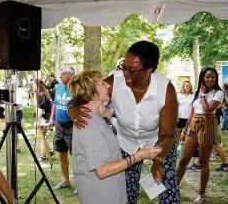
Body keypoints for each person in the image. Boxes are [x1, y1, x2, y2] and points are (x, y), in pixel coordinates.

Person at [69, 41, 180, 203]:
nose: (125, 73)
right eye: (124, 67)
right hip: (126, 142)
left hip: (159, 142)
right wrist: (74, 112)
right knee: (124, 190)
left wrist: (159, 160)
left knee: (168, 190)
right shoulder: (115, 81)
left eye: (131, 70)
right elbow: (83, 94)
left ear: (148, 71)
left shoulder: (165, 89)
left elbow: (167, 133)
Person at [68, 70, 162, 204]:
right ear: (91, 92)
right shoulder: (88, 123)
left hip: (110, 193)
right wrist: (139, 156)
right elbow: (102, 170)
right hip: (100, 197)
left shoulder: (95, 117)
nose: (107, 86)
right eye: (102, 83)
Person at [177, 67, 224, 204]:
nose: (210, 79)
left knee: (203, 162)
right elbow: (192, 113)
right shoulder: (197, 92)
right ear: (202, 78)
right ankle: (174, 187)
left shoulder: (218, 93)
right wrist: (185, 131)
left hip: (207, 124)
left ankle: (202, 194)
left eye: (213, 77)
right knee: (183, 159)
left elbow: (208, 110)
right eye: (207, 76)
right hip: (193, 125)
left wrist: (203, 95)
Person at [49, 66, 75, 190]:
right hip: (59, 125)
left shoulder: (77, 88)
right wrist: (51, 119)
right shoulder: (59, 87)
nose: (60, 77)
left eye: (63, 74)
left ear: (71, 75)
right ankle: (66, 181)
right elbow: (55, 104)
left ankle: (81, 183)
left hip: (73, 126)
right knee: (61, 153)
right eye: (60, 74)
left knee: (76, 156)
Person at [34, 79, 53, 161]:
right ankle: (51, 149)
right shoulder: (42, 94)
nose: (32, 86)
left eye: (34, 84)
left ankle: (43, 156)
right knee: (40, 137)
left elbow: (41, 109)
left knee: (41, 137)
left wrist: (38, 121)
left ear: (38, 85)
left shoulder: (42, 95)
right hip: (45, 117)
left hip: (44, 118)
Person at [177, 81, 194, 146]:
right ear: (183, 87)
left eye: (189, 86)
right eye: (187, 86)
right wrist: (176, 116)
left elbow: (194, 106)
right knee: (178, 131)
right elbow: (177, 105)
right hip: (180, 116)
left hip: (189, 117)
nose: (188, 87)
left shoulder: (192, 95)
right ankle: (177, 147)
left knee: (187, 132)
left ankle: (184, 146)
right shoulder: (179, 95)